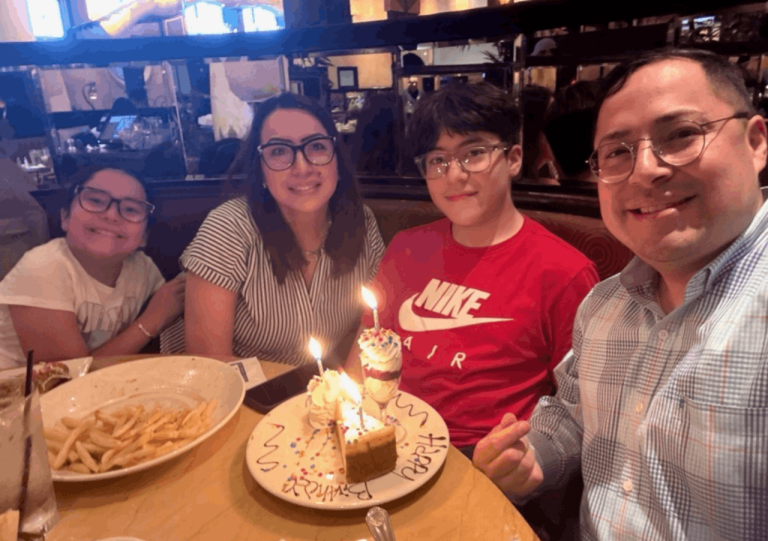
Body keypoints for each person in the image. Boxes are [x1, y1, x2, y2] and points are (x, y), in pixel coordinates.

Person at [474, 48, 768, 540]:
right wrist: (530, 457)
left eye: (681, 136)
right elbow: (572, 414)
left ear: (756, 141)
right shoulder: (605, 304)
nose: (645, 170)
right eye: (617, 152)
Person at [345, 82, 599, 455]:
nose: (454, 175)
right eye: (437, 160)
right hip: (390, 437)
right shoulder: (406, 246)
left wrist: (528, 461)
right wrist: (346, 416)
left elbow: (580, 409)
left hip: (483, 459)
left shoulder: (564, 272)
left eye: (474, 153)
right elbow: (366, 345)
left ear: (513, 159)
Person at [174, 93, 385, 365]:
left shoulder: (362, 222)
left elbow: (370, 330)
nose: (301, 167)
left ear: (336, 157)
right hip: (225, 393)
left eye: (316, 147)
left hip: (313, 392)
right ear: (261, 169)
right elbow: (211, 367)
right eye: (278, 151)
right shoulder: (229, 228)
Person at [0, 166, 185, 368]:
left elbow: (173, 308)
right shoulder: (44, 266)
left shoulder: (143, 269)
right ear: (65, 218)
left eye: (131, 209)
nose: (111, 215)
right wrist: (150, 323)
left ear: (144, 236)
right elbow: (65, 378)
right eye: (96, 200)